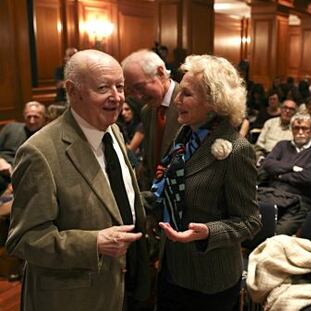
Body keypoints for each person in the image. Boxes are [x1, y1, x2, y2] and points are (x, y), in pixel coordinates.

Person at [6, 50, 150, 311]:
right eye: (103, 88)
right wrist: (93, 243)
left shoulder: (113, 131)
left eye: (120, 86)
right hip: (76, 298)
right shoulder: (39, 153)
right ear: (72, 91)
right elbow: (24, 239)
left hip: (124, 285)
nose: (116, 98)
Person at [151, 55, 262, 311]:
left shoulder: (237, 150)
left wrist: (209, 232)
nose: (177, 101)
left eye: (186, 95)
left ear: (213, 102)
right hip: (172, 269)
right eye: (179, 92)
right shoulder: (184, 134)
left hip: (209, 280)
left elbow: (250, 221)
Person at [122, 49, 181, 190]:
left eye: (140, 88)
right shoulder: (147, 111)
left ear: (160, 73)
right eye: (131, 91)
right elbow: (150, 162)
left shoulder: (189, 103)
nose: (137, 97)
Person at [259, 113, 311, 235]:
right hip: (272, 194)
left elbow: (309, 177)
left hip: (300, 200)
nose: (300, 132)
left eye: (304, 128)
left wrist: (279, 175)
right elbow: (268, 165)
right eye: (296, 128)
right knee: (254, 225)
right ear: (291, 130)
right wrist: (293, 168)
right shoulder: (282, 145)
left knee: (278, 233)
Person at [0, 101, 47, 193]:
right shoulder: (10, 127)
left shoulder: (46, 136)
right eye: (28, 116)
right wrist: (1, 161)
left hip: (22, 178)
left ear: (44, 118)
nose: (31, 121)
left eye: (36, 117)